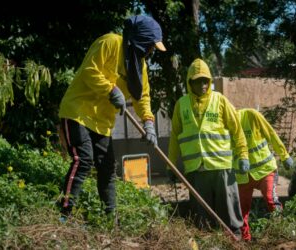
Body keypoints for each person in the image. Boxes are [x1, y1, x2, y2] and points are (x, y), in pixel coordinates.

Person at [57, 15, 166, 219]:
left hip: (102, 122)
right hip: (78, 111)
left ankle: (110, 220)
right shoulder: (110, 42)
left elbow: (142, 96)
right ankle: (63, 213)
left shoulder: (139, 65)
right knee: (84, 160)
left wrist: (149, 123)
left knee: (107, 169)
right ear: (140, 39)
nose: (151, 51)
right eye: (151, 45)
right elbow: (89, 71)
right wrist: (110, 89)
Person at [167, 58, 250, 237]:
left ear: (210, 81)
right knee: (202, 219)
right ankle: (208, 245)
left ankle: (235, 241)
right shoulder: (181, 105)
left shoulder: (220, 101)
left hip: (222, 170)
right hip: (196, 171)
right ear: (190, 83)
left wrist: (243, 155)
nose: (203, 84)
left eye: (205, 80)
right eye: (198, 80)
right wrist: (170, 165)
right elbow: (174, 137)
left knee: (229, 214)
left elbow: (237, 130)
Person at [234, 108, 294, 241]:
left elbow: (271, 133)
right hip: (242, 176)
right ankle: (245, 240)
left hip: (265, 169)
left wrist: (284, 156)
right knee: (241, 209)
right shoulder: (223, 126)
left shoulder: (251, 116)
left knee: (270, 199)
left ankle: (281, 232)